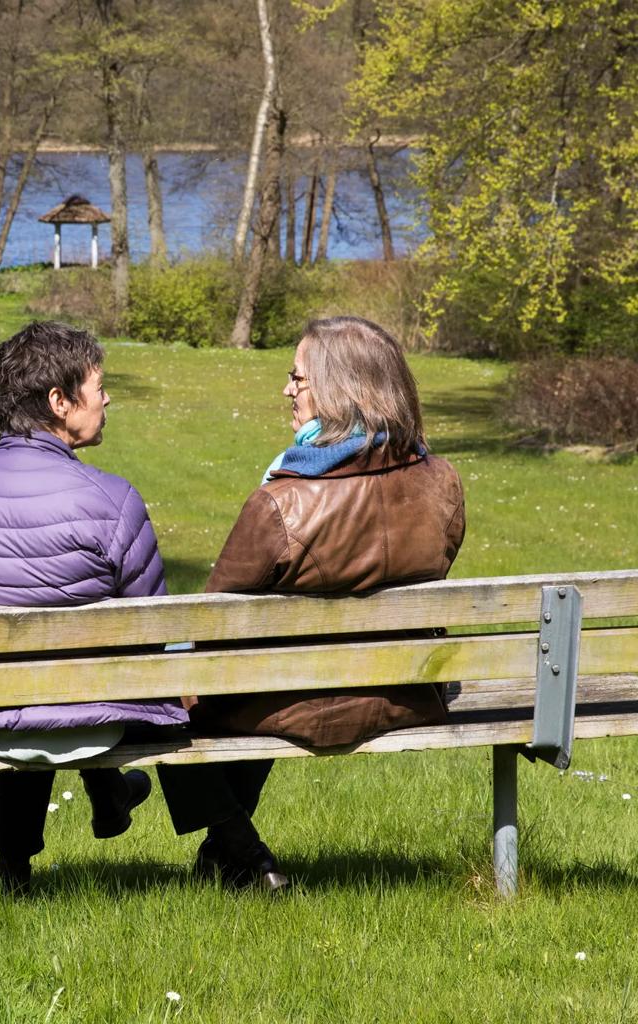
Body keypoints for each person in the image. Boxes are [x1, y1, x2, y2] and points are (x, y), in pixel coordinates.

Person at [0, 321, 188, 893]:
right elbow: (156, 623)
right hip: (94, 712)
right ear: (59, 402)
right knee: (54, 676)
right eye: (98, 387)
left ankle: (14, 864)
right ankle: (114, 796)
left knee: (17, 672)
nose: (107, 399)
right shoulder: (114, 498)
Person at [179, 315, 466, 887]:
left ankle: (241, 850)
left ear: (341, 390)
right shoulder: (442, 482)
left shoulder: (281, 502)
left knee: (170, 688)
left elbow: (210, 624)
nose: (287, 390)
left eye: (298, 379)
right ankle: (223, 856)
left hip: (289, 704)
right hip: (403, 691)